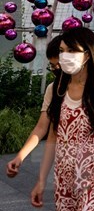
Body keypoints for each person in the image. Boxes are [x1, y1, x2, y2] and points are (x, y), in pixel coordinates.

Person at [31, 27, 94, 211]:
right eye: (62, 51)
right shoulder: (57, 89)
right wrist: (41, 180)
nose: (65, 56)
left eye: (72, 51)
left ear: (87, 55)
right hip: (65, 178)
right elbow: (52, 137)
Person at [6, 35, 62, 178]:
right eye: (52, 66)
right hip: (65, 166)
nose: (56, 69)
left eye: (59, 65)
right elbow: (42, 127)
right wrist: (20, 157)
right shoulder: (53, 89)